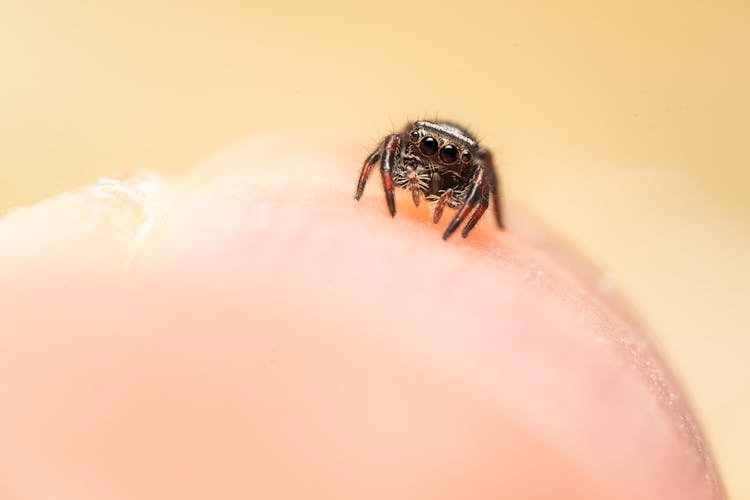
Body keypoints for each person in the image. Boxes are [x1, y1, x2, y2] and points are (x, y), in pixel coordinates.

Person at [0, 132, 725, 499]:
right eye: (422, 154)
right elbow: (387, 155)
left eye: (443, 160)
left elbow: (472, 172)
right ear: (406, 152)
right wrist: (373, 195)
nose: (430, 162)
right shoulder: (406, 150)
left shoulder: (462, 166)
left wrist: (476, 220)